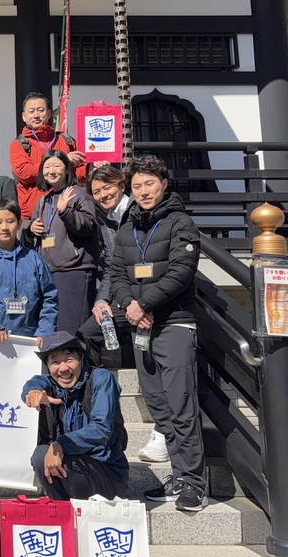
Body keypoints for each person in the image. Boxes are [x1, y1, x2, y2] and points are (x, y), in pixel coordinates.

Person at [106, 154, 205, 512]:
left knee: (181, 404)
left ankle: (193, 482)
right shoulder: (127, 226)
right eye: (137, 186)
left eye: (150, 183)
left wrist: (144, 304)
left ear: (163, 184)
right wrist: (131, 305)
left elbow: (181, 271)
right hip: (140, 325)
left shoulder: (180, 222)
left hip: (174, 322)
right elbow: (117, 273)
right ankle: (177, 477)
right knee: (159, 405)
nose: (144, 191)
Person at [76, 165, 168, 462]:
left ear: (122, 185)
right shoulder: (107, 221)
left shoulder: (140, 211)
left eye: (108, 187)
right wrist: (103, 301)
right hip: (125, 301)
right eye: (97, 192)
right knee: (87, 333)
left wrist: (144, 305)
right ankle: (93, 411)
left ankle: (164, 430)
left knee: (149, 357)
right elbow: (112, 267)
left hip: (154, 301)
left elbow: (158, 261)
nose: (104, 195)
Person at [23, 331, 128, 500]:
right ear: (48, 367)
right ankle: (62, 510)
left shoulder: (101, 379)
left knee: (67, 459)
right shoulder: (51, 384)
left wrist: (61, 444)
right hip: (74, 473)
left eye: (69, 359)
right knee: (40, 455)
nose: (63, 368)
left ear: (81, 359)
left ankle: (81, 513)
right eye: (55, 362)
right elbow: (36, 382)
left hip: (108, 474)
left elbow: (101, 428)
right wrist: (32, 392)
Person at [0, 198, 58, 346]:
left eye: (10, 221)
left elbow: (49, 297)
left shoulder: (33, 258)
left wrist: (44, 331)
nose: (5, 227)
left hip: (30, 339)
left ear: (19, 224)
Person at [23, 149, 98, 336]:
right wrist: (31, 228)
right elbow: (33, 229)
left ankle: (82, 364)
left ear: (67, 169)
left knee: (73, 328)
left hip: (74, 270)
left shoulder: (78, 194)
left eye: (57, 165)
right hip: (49, 271)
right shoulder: (43, 201)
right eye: (47, 167)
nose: (51, 171)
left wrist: (66, 212)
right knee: (54, 326)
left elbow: (89, 226)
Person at [9, 92, 87, 220]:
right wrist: (64, 160)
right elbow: (24, 174)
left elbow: (77, 171)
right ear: (24, 116)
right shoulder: (18, 144)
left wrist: (90, 169)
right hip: (34, 215)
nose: (36, 115)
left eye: (41, 110)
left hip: (67, 207)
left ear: (49, 113)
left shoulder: (65, 140)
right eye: (31, 111)